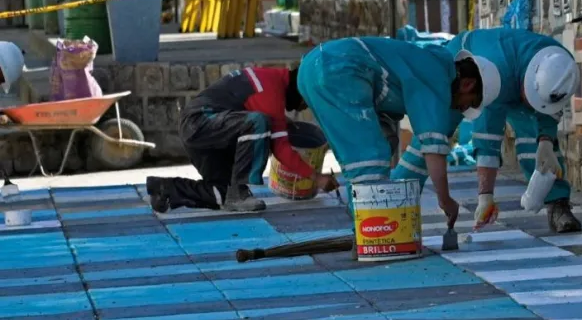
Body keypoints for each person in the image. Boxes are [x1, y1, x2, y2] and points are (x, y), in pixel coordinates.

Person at [390, 28, 582, 234]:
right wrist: (485, 196)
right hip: (465, 71)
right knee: (432, 135)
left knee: (537, 142)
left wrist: (545, 141)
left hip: (515, 74)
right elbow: (487, 135)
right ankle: (393, 205)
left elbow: (549, 107)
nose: (530, 103)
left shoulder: (561, 65)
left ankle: (558, 205)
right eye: (531, 97)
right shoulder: (493, 77)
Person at [296, 36, 501, 224]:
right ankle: (376, 237)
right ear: (467, 84)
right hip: (340, 70)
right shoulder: (438, 81)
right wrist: (445, 200)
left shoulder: (431, 63)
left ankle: (361, 232)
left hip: (312, 67)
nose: (462, 109)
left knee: (359, 161)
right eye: (469, 103)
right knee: (370, 162)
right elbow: (433, 151)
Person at [146, 65, 337, 214]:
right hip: (200, 122)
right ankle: (238, 192)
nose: (303, 108)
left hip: (205, 129)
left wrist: (281, 122)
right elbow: (281, 149)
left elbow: (255, 107)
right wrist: (317, 178)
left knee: (222, 193)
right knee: (258, 123)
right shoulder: (270, 90)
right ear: (302, 90)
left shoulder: (271, 79)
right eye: (306, 102)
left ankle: (165, 189)